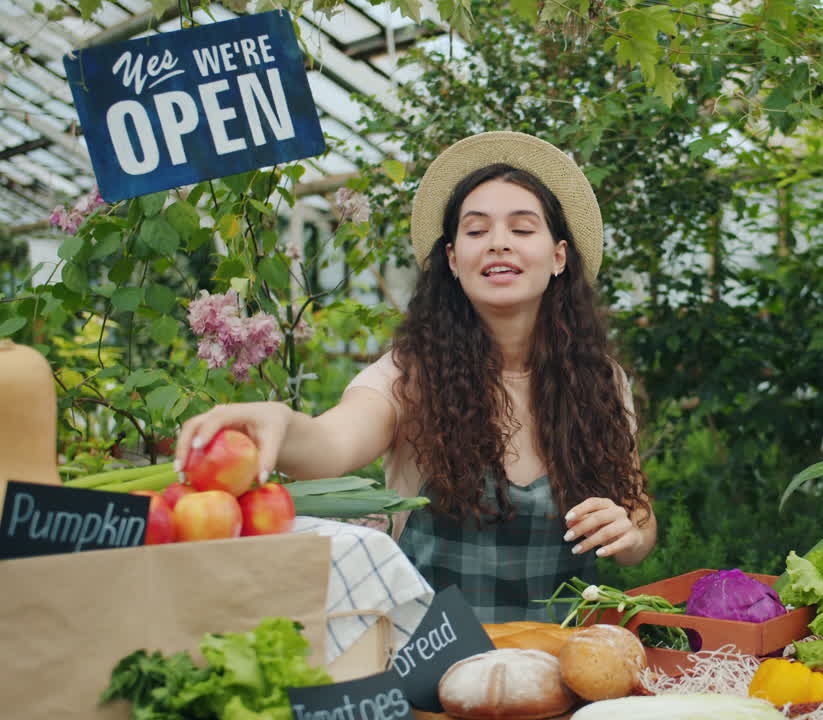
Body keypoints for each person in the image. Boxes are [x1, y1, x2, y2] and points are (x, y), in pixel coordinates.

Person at [174, 131, 657, 621]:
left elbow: (638, 517)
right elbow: (330, 443)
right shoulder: (411, 375)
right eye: (475, 231)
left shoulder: (600, 382)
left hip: (564, 664)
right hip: (434, 668)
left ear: (558, 257)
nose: (497, 243)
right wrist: (278, 421)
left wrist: (630, 533)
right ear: (452, 259)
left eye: (522, 228)